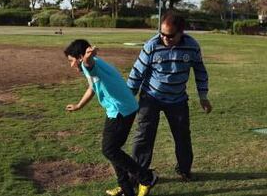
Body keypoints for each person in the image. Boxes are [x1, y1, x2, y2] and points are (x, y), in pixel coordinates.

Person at [64, 39, 157, 196]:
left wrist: (87, 58)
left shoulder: (90, 65)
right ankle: (126, 189)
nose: (71, 65)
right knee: (112, 150)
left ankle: (146, 177)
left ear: (79, 57)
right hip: (121, 109)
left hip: (121, 110)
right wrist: (79, 105)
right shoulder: (97, 64)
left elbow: (88, 64)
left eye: (72, 61)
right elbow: (93, 87)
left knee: (109, 149)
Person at [127, 11, 212, 182]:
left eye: (170, 36)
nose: (165, 38)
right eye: (162, 34)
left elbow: (200, 71)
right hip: (151, 97)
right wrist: (128, 97)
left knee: (182, 137)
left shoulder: (192, 46)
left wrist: (203, 96)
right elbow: (137, 72)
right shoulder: (152, 45)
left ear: (181, 32)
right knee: (144, 136)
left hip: (178, 100)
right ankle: (138, 174)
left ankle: (184, 169)